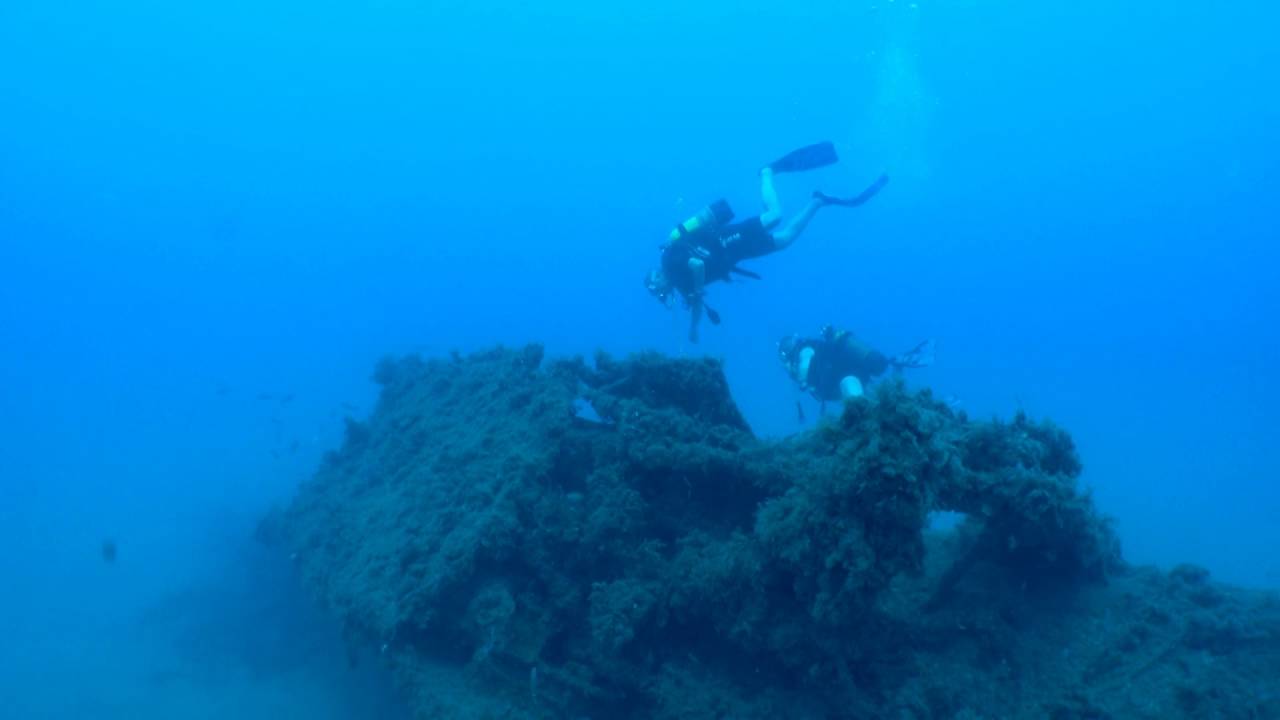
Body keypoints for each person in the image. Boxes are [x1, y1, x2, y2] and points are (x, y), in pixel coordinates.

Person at [645, 142, 888, 342]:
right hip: (734, 256)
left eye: (654, 286)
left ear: (657, 276)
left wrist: (697, 292)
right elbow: (697, 303)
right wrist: (694, 328)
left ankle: (766, 172)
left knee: (775, 217)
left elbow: (697, 266)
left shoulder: (668, 259)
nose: (659, 292)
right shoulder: (682, 287)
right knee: (785, 239)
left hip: (726, 241)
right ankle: (817, 201)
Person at [778, 325, 934, 402]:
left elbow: (806, 359)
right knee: (873, 397)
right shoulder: (811, 348)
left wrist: (803, 380)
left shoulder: (803, 349)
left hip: (843, 373)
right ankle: (897, 371)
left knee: (858, 401)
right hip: (847, 373)